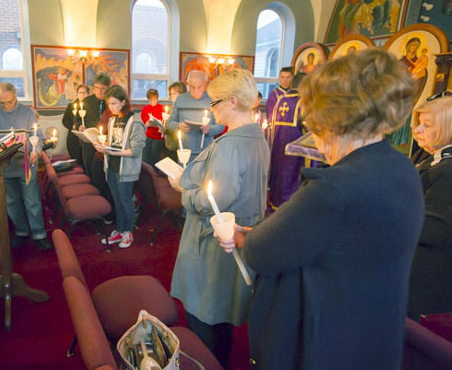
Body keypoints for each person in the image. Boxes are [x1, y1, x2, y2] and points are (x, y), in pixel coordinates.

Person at [217, 49, 424, 369]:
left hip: (328, 341)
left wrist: (245, 237)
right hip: (374, 331)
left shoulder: (335, 188)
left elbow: (262, 253)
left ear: (334, 119)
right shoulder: (401, 166)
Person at [170, 69, 269, 368]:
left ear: (234, 101)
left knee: (205, 315)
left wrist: (182, 191)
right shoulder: (257, 137)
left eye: (215, 103)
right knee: (222, 311)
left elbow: (215, 201)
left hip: (214, 242)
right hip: (240, 234)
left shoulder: (230, 145)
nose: (211, 110)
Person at [0, 82, 53, 250]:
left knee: (32, 201)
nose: (6, 106)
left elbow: (39, 137)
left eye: (10, 101)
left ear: (16, 97)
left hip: (26, 164)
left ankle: (39, 234)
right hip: (3, 167)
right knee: (12, 202)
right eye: (2, 102)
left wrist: (36, 150)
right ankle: (21, 232)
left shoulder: (28, 113)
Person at [407, 90, 452, 320]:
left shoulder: (448, 170)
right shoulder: (431, 159)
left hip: (429, 273)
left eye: (427, 125)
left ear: (447, 128)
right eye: (418, 124)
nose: (417, 131)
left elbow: (435, 229)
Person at [94, 85, 146, 248]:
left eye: (115, 103)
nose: (112, 107)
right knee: (117, 200)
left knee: (125, 201)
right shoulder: (112, 119)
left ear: (124, 102)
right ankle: (119, 229)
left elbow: (136, 150)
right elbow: (114, 142)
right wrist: (103, 145)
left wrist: (114, 152)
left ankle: (128, 232)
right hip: (111, 166)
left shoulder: (135, 121)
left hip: (126, 168)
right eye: (109, 104)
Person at [267, 72, 309, 211]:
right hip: (295, 155)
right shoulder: (303, 103)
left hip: (278, 150)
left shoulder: (280, 100)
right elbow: (309, 130)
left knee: (279, 181)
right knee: (292, 183)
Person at [167, 70, 224, 161]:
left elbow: (221, 125)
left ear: (205, 84)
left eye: (200, 87)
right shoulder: (180, 99)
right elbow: (170, 123)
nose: (196, 90)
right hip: (184, 152)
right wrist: (178, 126)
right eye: (192, 87)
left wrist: (209, 129)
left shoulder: (213, 100)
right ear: (187, 84)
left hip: (206, 153)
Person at [80, 72, 110, 176]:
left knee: (102, 169)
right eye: (97, 88)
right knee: (89, 167)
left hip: (105, 141)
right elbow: (78, 119)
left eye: (103, 88)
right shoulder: (87, 101)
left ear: (108, 88)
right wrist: (79, 126)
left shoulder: (111, 102)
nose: (99, 91)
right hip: (89, 141)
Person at [61, 84, 89, 168]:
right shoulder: (72, 106)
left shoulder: (91, 106)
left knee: (86, 161)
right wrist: (73, 126)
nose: (82, 95)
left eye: (84, 92)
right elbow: (65, 121)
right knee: (77, 161)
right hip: (74, 138)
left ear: (88, 94)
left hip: (86, 137)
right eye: (80, 93)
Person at [264, 67, 293, 145]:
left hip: (291, 130)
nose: (285, 80)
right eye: (283, 77)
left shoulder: (295, 94)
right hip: (276, 130)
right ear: (279, 78)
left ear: (291, 78)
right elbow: (269, 113)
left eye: (288, 77)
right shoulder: (274, 94)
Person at [141, 88, 164, 165]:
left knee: (155, 156)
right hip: (148, 135)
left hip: (158, 136)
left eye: (154, 99)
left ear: (157, 98)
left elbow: (164, 121)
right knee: (146, 156)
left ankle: (155, 173)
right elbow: (142, 123)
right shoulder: (145, 108)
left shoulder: (161, 108)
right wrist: (147, 124)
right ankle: (147, 172)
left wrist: (160, 124)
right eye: (150, 99)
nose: (153, 101)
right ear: (148, 99)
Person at [165, 81, 187, 162]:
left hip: (179, 145)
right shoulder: (171, 108)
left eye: (174, 93)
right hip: (169, 144)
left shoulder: (186, 109)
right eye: (171, 94)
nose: (171, 96)